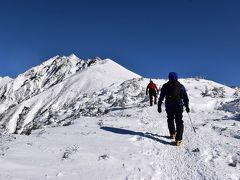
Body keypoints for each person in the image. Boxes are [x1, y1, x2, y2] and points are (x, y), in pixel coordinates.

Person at [158, 72, 190, 146]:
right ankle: (178, 139)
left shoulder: (165, 86)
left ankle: (172, 134)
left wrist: (159, 105)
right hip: (178, 105)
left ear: (169, 77)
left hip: (169, 105)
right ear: (176, 77)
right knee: (179, 121)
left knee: (170, 119)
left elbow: (161, 96)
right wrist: (187, 106)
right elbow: (185, 97)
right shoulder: (180, 86)